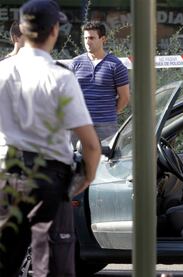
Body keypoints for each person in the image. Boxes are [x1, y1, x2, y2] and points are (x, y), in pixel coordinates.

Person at [0, 0, 101, 276]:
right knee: (53, 265)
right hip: (48, 180)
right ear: (54, 31)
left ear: (20, 30)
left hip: (6, 177)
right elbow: (90, 144)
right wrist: (86, 177)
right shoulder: (59, 77)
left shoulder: (2, 72)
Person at [70, 21, 130, 142]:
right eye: (85, 38)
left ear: (103, 39)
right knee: (76, 159)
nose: (87, 41)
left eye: (92, 38)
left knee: (105, 160)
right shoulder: (75, 63)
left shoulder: (115, 65)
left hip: (105, 126)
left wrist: (108, 113)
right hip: (78, 124)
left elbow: (124, 97)